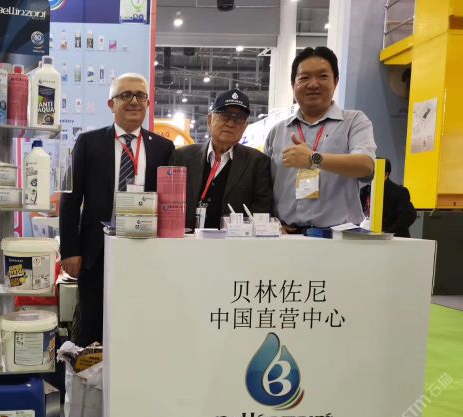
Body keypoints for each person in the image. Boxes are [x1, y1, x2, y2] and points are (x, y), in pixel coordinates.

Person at [59, 73, 174, 347]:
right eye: (125, 95)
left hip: (147, 251)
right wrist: (70, 251)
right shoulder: (88, 142)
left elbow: (169, 203)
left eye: (140, 95)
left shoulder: (164, 148)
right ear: (111, 104)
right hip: (97, 251)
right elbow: (70, 199)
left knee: (139, 323)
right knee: (93, 325)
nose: (134, 101)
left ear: (148, 103)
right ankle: (92, 373)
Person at [264, 46, 376, 233]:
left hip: (338, 237)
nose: (313, 84)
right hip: (287, 236)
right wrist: (271, 223)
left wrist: (313, 159)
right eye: (304, 78)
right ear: (293, 85)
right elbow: (264, 187)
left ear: (336, 81)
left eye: (322, 76)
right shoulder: (277, 131)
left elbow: (366, 166)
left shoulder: (354, 121)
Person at [169, 89, 273, 230]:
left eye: (239, 118)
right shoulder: (181, 157)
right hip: (187, 239)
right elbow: (168, 201)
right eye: (225, 115)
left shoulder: (258, 162)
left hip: (234, 241)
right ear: (209, 120)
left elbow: (261, 208)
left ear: (245, 126)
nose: (231, 124)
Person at [360, 158, 416, 237]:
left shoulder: (399, 192)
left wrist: (387, 233)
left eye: (373, 172)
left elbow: (408, 216)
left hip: (393, 239)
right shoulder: (364, 191)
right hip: (368, 236)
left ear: (385, 174)